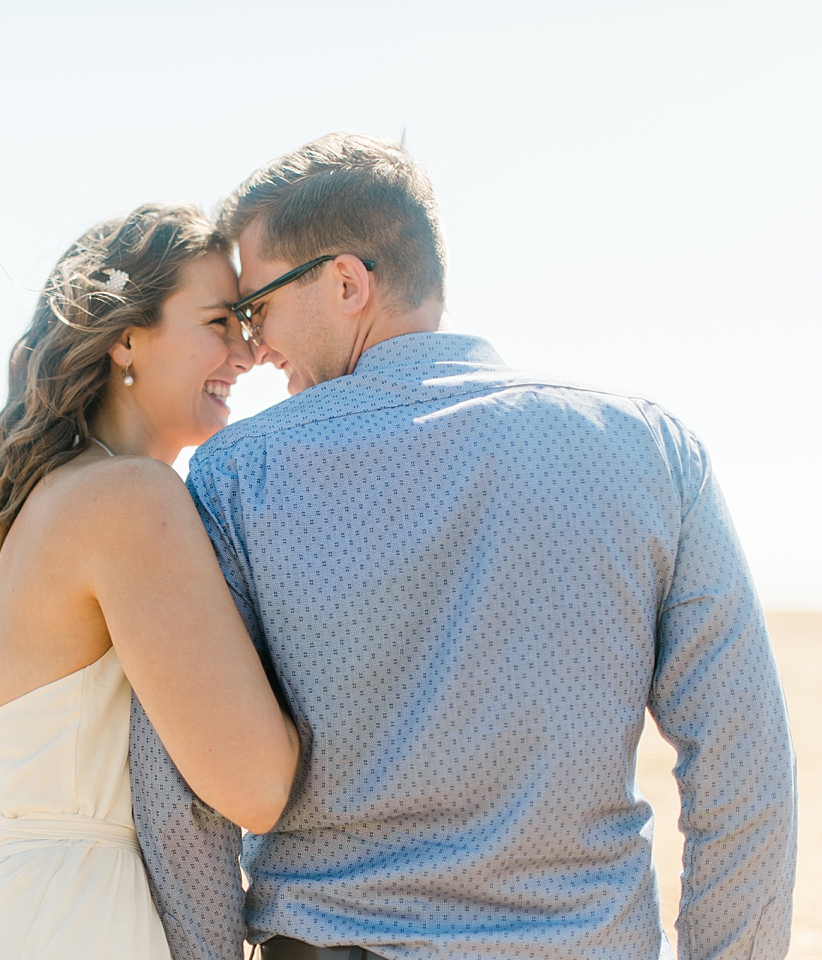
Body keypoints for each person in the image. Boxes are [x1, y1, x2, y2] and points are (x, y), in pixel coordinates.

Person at [130, 135, 798, 960]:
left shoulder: (238, 475)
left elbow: (185, 799)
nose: (253, 346)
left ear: (346, 282)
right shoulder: (651, 452)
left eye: (256, 308)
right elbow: (745, 768)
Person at [0, 203, 300, 960]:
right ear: (127, 337)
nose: (248, 353)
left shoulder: (77, 491)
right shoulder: (129, 499)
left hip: (41, 909)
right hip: (93, 923)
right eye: (220, 322)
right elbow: (256, 786)